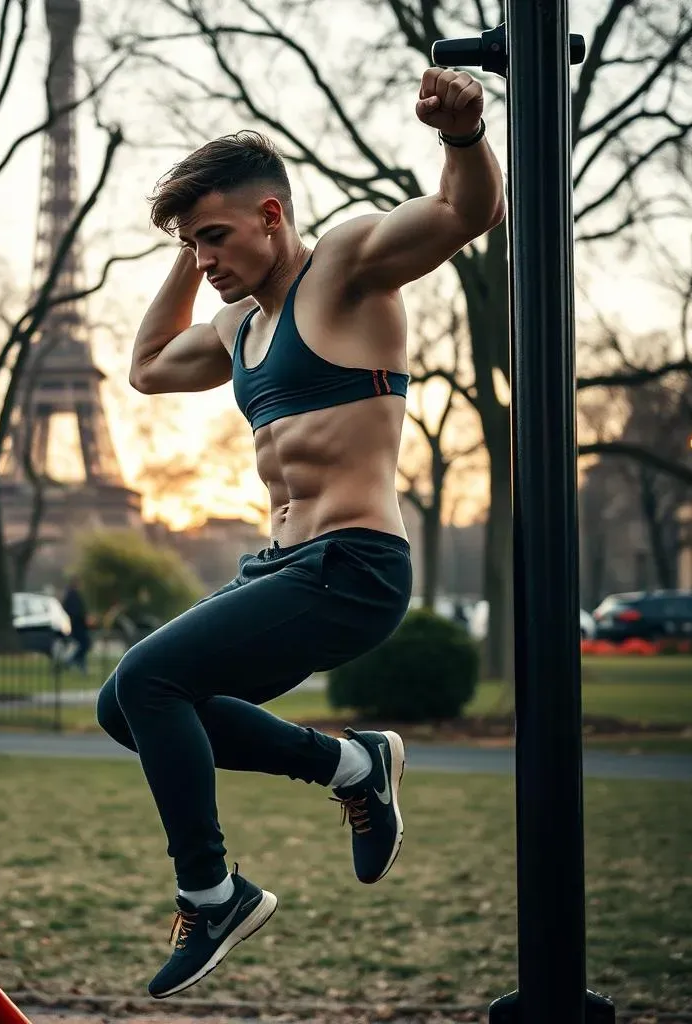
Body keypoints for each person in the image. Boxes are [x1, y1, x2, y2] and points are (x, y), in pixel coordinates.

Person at [96, 68, 505, 999]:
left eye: (218, 236)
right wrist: (185, 246)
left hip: (353, 564)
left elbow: (461, 213)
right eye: (194, 243)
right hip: (280, 564)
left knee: (151, 678)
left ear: (273, 214)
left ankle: (212, 893)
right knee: (128, 708)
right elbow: (149, 369)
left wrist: (464, 133)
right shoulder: (241, 326)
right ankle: (353, 764)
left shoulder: (349, 266)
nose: (205, 260)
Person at [61, 576, 91, 672]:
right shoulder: (72, 595)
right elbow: (75, 611)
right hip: (77, 625)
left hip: (76, 624)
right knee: (84, 644)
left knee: (82, 645)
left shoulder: (72, 595)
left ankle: (79, 663)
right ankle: (71, 661)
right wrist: (84, 618)